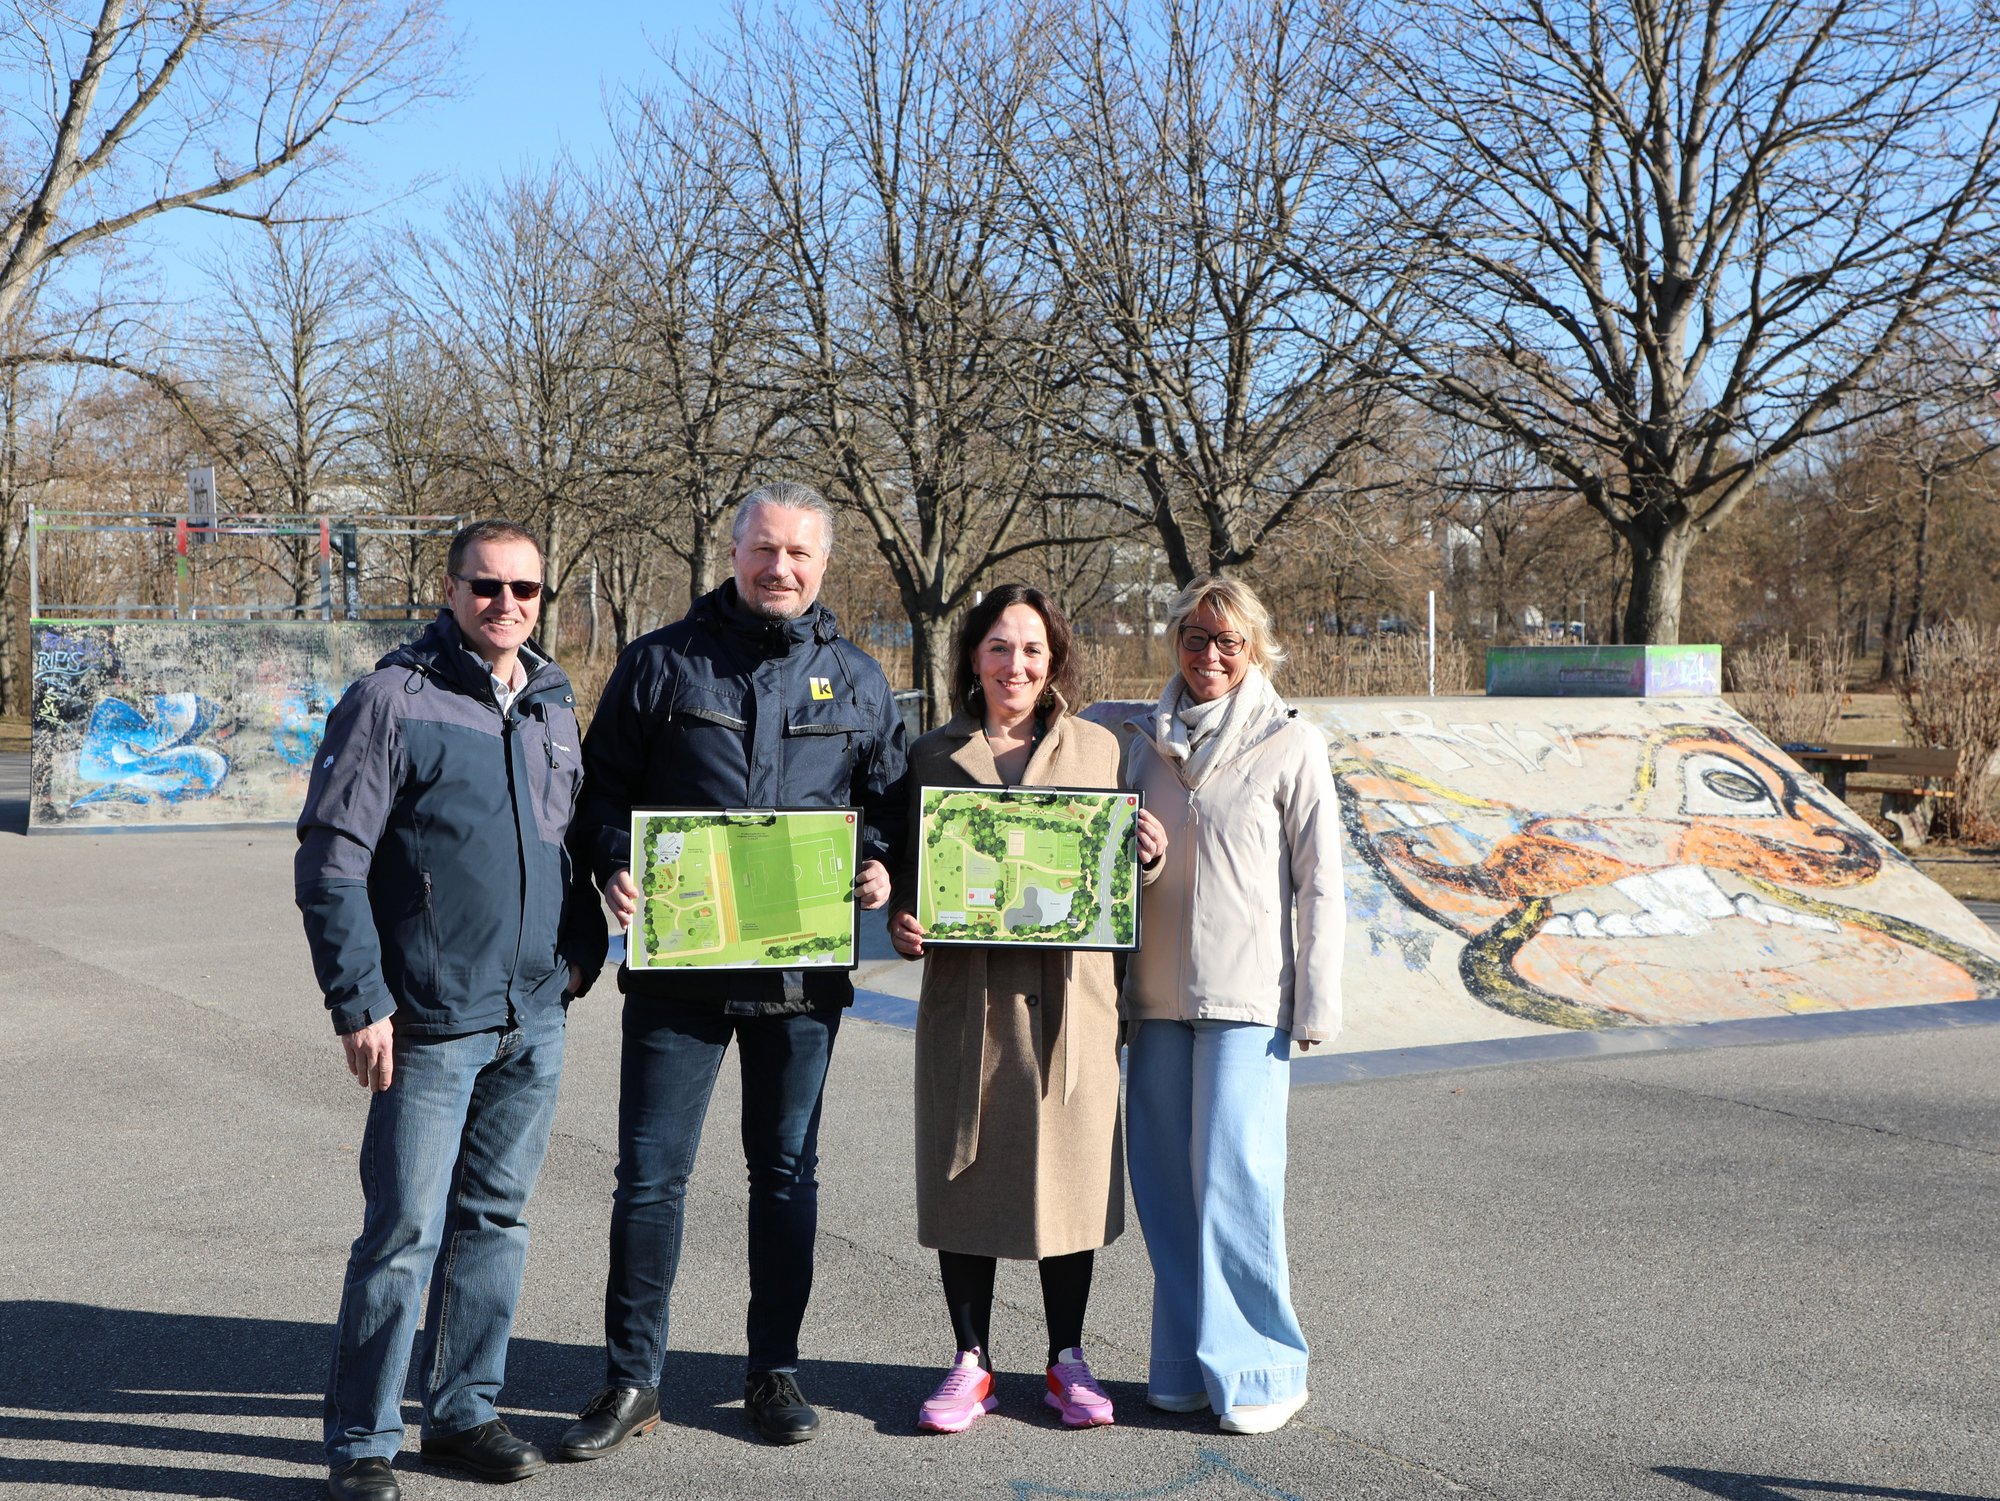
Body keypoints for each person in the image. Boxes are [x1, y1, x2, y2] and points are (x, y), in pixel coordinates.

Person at [559, 482, 908, 1457]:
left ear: (823, 564)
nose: (779, 567)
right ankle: (632, 1381)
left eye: (798, 553)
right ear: (732, 550)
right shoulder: (660, 664)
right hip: (680, 977)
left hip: (800, 984)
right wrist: (615, 862)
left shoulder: (859, 678)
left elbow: (887, 805)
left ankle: (773, 1373)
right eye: (763, 549)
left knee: (786, 1175)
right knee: (649, 1182)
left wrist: (878, 858)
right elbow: (601, 796)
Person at [297, 521, 607, 1501]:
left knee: (495, 1220)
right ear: (449, 585)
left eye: (525, 588)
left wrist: (580, 951)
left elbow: (561, 847)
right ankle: (362, 1443)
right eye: (487, 586)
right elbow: (331, 860)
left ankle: (464, 1410)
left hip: (533, 1014)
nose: (506, 604)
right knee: (401, 1234)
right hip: (428, 1021)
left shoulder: (552, 701)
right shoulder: (393, 699)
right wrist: (359, 1001)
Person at [887, 584, 1166, 1433]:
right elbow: (906, 871)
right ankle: (969, 1360)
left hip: (1070, 1004)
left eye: (1033, 650)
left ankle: (1066, 1357)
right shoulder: (932, 754)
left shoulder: (1098, 749)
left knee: (1069, 1180)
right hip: (968, 1005)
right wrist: (902, 917)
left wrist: (1142, 858)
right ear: (973, 656)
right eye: (1000, 647)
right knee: (964, 1170)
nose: (1017, 665)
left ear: (1055, 662)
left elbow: (1115, 877)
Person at [1120, 573, 1343, 1436]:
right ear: (1174, 639)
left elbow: (1321, 883)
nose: (1209, 655)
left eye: (1228, 642)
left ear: (1254, 650)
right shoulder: (1139, 737)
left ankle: (1260, 1365)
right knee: (1167, 1189)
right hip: (1155, 994)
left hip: (1250, 998)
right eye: (1194, 637)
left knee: (1237, 1182)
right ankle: (1181, 1364)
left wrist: (1315, 1002)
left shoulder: (1293, 744)